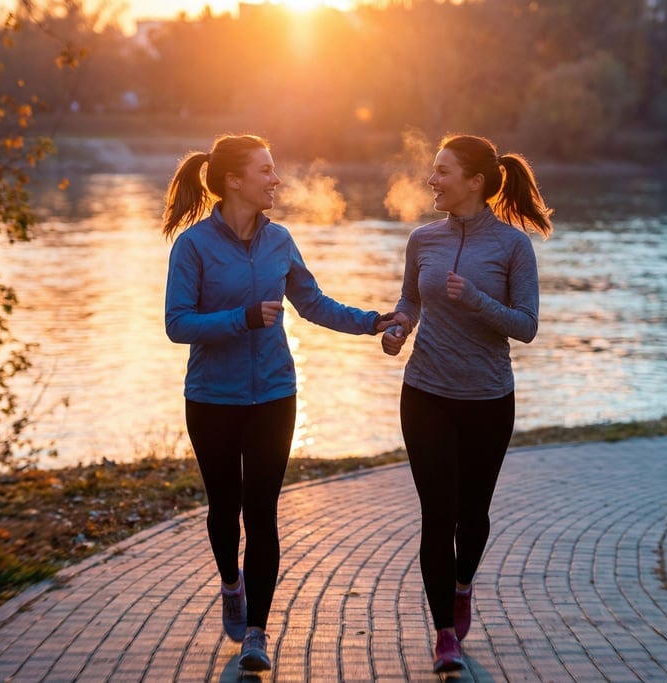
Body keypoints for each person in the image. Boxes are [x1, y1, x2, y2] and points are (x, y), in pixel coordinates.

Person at [162, 133, 397, 672]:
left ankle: (256, 633)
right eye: (265, 170)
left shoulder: (280, 240)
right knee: (224, 509)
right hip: (212, 398)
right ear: (233, 181)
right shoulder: (193, 246)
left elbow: (312, 303)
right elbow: (177, 325)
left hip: (273, 395)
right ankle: (230, 582)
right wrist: (240, 319)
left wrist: (370, 322)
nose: (276, 179)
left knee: (261, 512)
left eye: (275, 169)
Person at [381, 133, 553, 673]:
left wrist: (476, 300)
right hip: (425, 392)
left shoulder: (512, 246)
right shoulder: (422, 240)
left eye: (442, 171)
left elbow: (526, 326)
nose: (432, 179)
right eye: (433, 170)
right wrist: (399, 327)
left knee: (471, 514)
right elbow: (410, 298)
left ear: (474, 182)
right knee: (437, 515)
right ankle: (444, 635)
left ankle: (462, 587)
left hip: (486, 399)